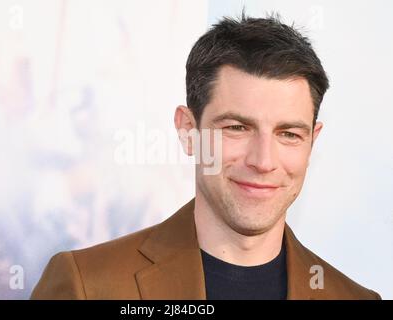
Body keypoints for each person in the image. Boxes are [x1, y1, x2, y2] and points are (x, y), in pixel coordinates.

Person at [31, 13, 381, 300]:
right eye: (237, 128)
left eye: (288, 134)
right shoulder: (89, 287)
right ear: (188, 130)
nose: (263, 161)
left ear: (312, 141)